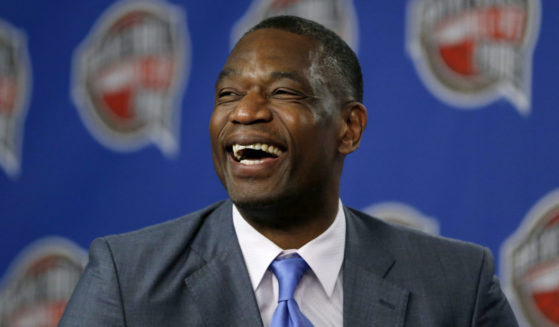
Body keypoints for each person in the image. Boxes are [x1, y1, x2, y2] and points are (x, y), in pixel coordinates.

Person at [59, 15, 518, 327]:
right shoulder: (127, 279)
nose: (245, 112)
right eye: (228, 95)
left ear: (349, 127)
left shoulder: (457, 283)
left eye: (282, 92)